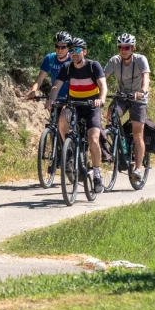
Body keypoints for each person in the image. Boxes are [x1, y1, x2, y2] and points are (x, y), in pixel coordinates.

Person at [47, 37, 107, 194]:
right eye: (71, 51)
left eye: (77, 50)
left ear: (84, 52)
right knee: (62, 119)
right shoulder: (67, 68)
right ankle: (70, 149)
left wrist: (101, 99)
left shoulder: (94, 66)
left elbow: (103, 85)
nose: (74, 53)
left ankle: (96, 175)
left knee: (93, 138)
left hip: (91, 106)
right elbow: (56, 86)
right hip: (74, 105)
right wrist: (51, 100)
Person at [104, 33, 151, 181]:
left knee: (137, 133)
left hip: (138, 98)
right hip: (122, 96)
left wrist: (142, 92)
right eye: (121, 47)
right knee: (111, 112)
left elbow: (146, 78)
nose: (123, 50)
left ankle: (138, 168)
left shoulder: (140, 60)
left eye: (127, 47)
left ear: (133, 48)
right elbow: (102, 78)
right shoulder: (114, 61)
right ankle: (117, 141)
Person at [27, 31, 72, 101]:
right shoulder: (50, 58)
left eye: (63, 47)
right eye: (57, 46)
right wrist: (33, 91)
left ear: (68, 48)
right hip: (55, 97)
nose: (59, 50)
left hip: (72, 99)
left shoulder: (73, 59)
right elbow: (40, 78)